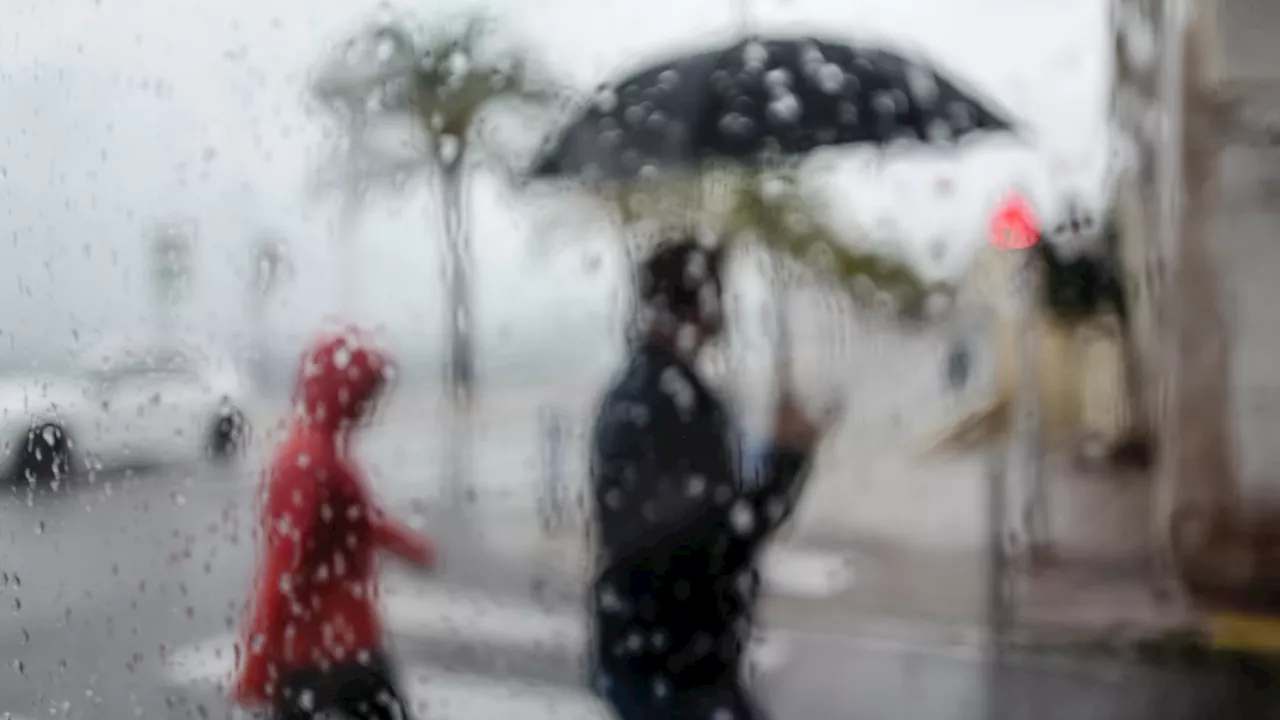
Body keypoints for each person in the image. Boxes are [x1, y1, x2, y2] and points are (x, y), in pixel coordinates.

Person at [589, 237, 834, 720]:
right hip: (677, 666)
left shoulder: (649, 390)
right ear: (702, 303)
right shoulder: (673, 402)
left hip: (660, 655)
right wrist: (790, 459)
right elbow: (721, 535)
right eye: (718, 292)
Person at [232, 326, 437, 719]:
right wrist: (256, 662)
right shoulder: (306, 460)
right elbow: (280, 566)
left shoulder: (322, 449)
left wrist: (408, 545)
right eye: (363, 394)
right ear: (337, 390)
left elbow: (356, 520)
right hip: (322, 656)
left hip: (339, 647)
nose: (368, 406)